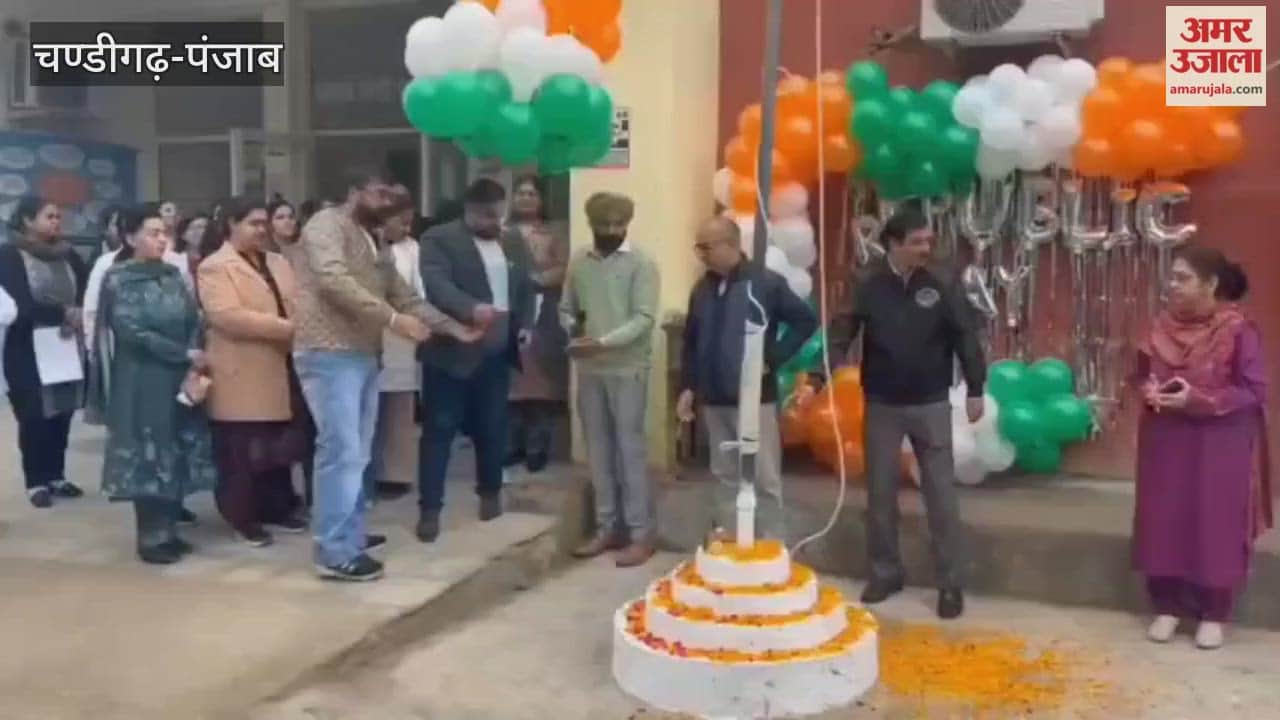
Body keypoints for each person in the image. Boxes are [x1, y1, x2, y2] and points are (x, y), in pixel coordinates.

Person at [291, 169, 479, 582]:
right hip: (327, 351)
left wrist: (453, 327)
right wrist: (395, 320)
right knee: (340, 450)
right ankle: (333, 551)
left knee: (357, 453)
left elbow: (405, 296)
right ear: (354, 192)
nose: (384, 203)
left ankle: (350, 534)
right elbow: (332, 280)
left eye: (389, 196)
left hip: (362, 353)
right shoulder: (326, 224)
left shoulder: (373, 237)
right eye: (377, 194)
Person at [827, 201, 985, 620]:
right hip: (881, 403)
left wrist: (975, 387)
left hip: (931, 402)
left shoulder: (943, 280)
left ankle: (950, 585)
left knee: (941, 496)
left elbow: (966, 335)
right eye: (916, 242)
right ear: (893, 245)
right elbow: (842, 329)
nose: (925, 248)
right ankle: (885, 573)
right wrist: (821, 370)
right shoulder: (867, 282)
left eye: (928, 241)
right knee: (879, 495)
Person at [1133, 246, 1271, 650]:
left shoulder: (1238, 330)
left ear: (1210, 285)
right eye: (1171, 277)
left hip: (1219, 443)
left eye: (1183, 278)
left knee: (1215, 522)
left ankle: (1215, 613)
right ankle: (1167, 606)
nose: (1172, 286)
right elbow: (1138, 376)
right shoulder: (1158, 326)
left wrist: (1200, 400)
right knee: (1163, 517)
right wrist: (1150, 390)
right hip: (1165, 438)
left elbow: (1253, 391)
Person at [88, 204, 218, 564]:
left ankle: (170, 529)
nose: (161, 239)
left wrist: (195, 349)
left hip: (178, 375)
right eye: (152, 232)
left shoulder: (173, 275)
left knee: (175, 446)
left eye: (165, 233)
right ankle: (151, 537)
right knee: (149, 450)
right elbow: (131, 331)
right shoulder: (119, 279)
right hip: (143, 378)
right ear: (130, 238)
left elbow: (194, 316)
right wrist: (182, 353)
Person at [676, 216, 818, 543]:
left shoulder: (764, 283)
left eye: (705, 247)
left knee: (764, 476)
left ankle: (771, 543)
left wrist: (772, 359)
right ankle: (732, 538)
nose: (700, 254)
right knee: (724, 474)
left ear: (730, 244)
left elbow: (804, 321)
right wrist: (688, 386)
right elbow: (691, 340)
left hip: (755, 398)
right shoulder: (703, 288)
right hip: (713, 398)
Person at [416, 178, 535, 543]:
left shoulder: (512, 239)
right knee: (440, 431)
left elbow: (524, 286)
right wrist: (470, 308)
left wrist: (524, 322)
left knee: (493, 426)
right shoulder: (438, 239)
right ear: (468, 211)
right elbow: (437, 285)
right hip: (451, 352)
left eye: (497, 215)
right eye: (484, 216)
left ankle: (490, 494)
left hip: (496, 352)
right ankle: (430, 510)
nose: (492, 223)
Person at [198, 196, 309, 547]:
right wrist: (288, 329)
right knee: (241, 452)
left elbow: (299, 302)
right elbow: (227, 316)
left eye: (264, 223)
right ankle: (242, 518)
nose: (262, 230)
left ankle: (278, 507)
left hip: (282, 364)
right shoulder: (216, 266)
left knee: (280, 445)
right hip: (241, 369)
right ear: (231, 224)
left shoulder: (278, 262)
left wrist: (302, 326)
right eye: (253, 223)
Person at [562, 192, 660, 567]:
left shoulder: (642, 263)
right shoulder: (579, 262)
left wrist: (601, 342)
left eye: (618, 226)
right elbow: (566, 307)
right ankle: (607, 528)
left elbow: (644, 319)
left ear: (627, 225)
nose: (611, 231)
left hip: (628, 369)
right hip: (589, 370)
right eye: (604, 226)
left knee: (629, 451)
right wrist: (571, 329)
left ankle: (640, 534)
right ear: (592, 225)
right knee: (598, 450)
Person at [0, 196, 89, 508]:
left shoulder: (70, 256)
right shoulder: (9, 256)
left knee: (61, 411)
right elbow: (17, 306)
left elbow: (86, 294)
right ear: (27, 220)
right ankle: (35, 481)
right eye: (49, 216)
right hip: (25, 348)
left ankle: (56, 474)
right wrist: (62, 314)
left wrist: (78, 314)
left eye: (58, 217)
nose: (56, 222)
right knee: (33, 415)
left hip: (66, 345)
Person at [504, 175, 570, 475]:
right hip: (508, 309)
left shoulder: (555, 232)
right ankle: (511, 446)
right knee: (511, 381)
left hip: (544, 311)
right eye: (521, 192)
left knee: (541, 383)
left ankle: (537, 447)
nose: (526, 198)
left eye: (532, 193)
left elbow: (563, 266)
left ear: (542, 199)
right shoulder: (502, 232)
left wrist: (536, 280)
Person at [365, 185, 420, 502]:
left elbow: (417, 293)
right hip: (371, 333)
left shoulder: (414, 250)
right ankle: (369, 476)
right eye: (400, 220)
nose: (405, 226)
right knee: (369, 411)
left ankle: (397, 474)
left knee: (399, 408)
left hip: (402, 336)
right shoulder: (368, 249)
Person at [174, 212, 210, 279]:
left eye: (205, 227)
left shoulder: (213, 260)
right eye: (199, 227)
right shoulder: (175, 261)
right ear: (184, 234)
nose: (203, 231)